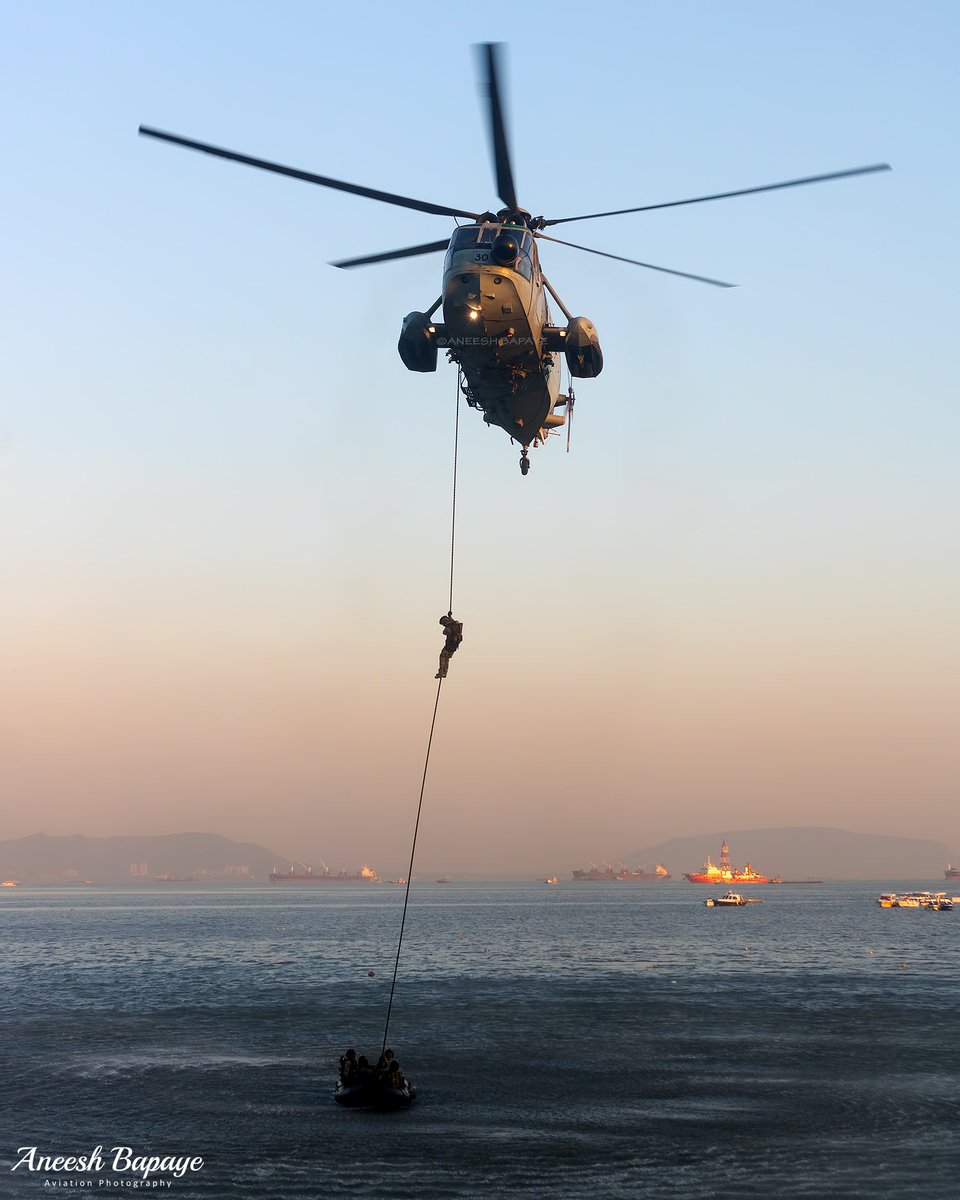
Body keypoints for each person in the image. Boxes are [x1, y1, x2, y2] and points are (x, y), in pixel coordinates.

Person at [435, 613, 463, 679]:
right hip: (454, 647)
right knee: (447, 659)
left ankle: (441, 672)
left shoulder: (449, 626)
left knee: (443, 657)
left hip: (448, 646)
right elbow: (453, 623)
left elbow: (445, 632)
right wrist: (450, 617)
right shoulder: (456, 625)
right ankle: (444, 673)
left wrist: (447, 625)